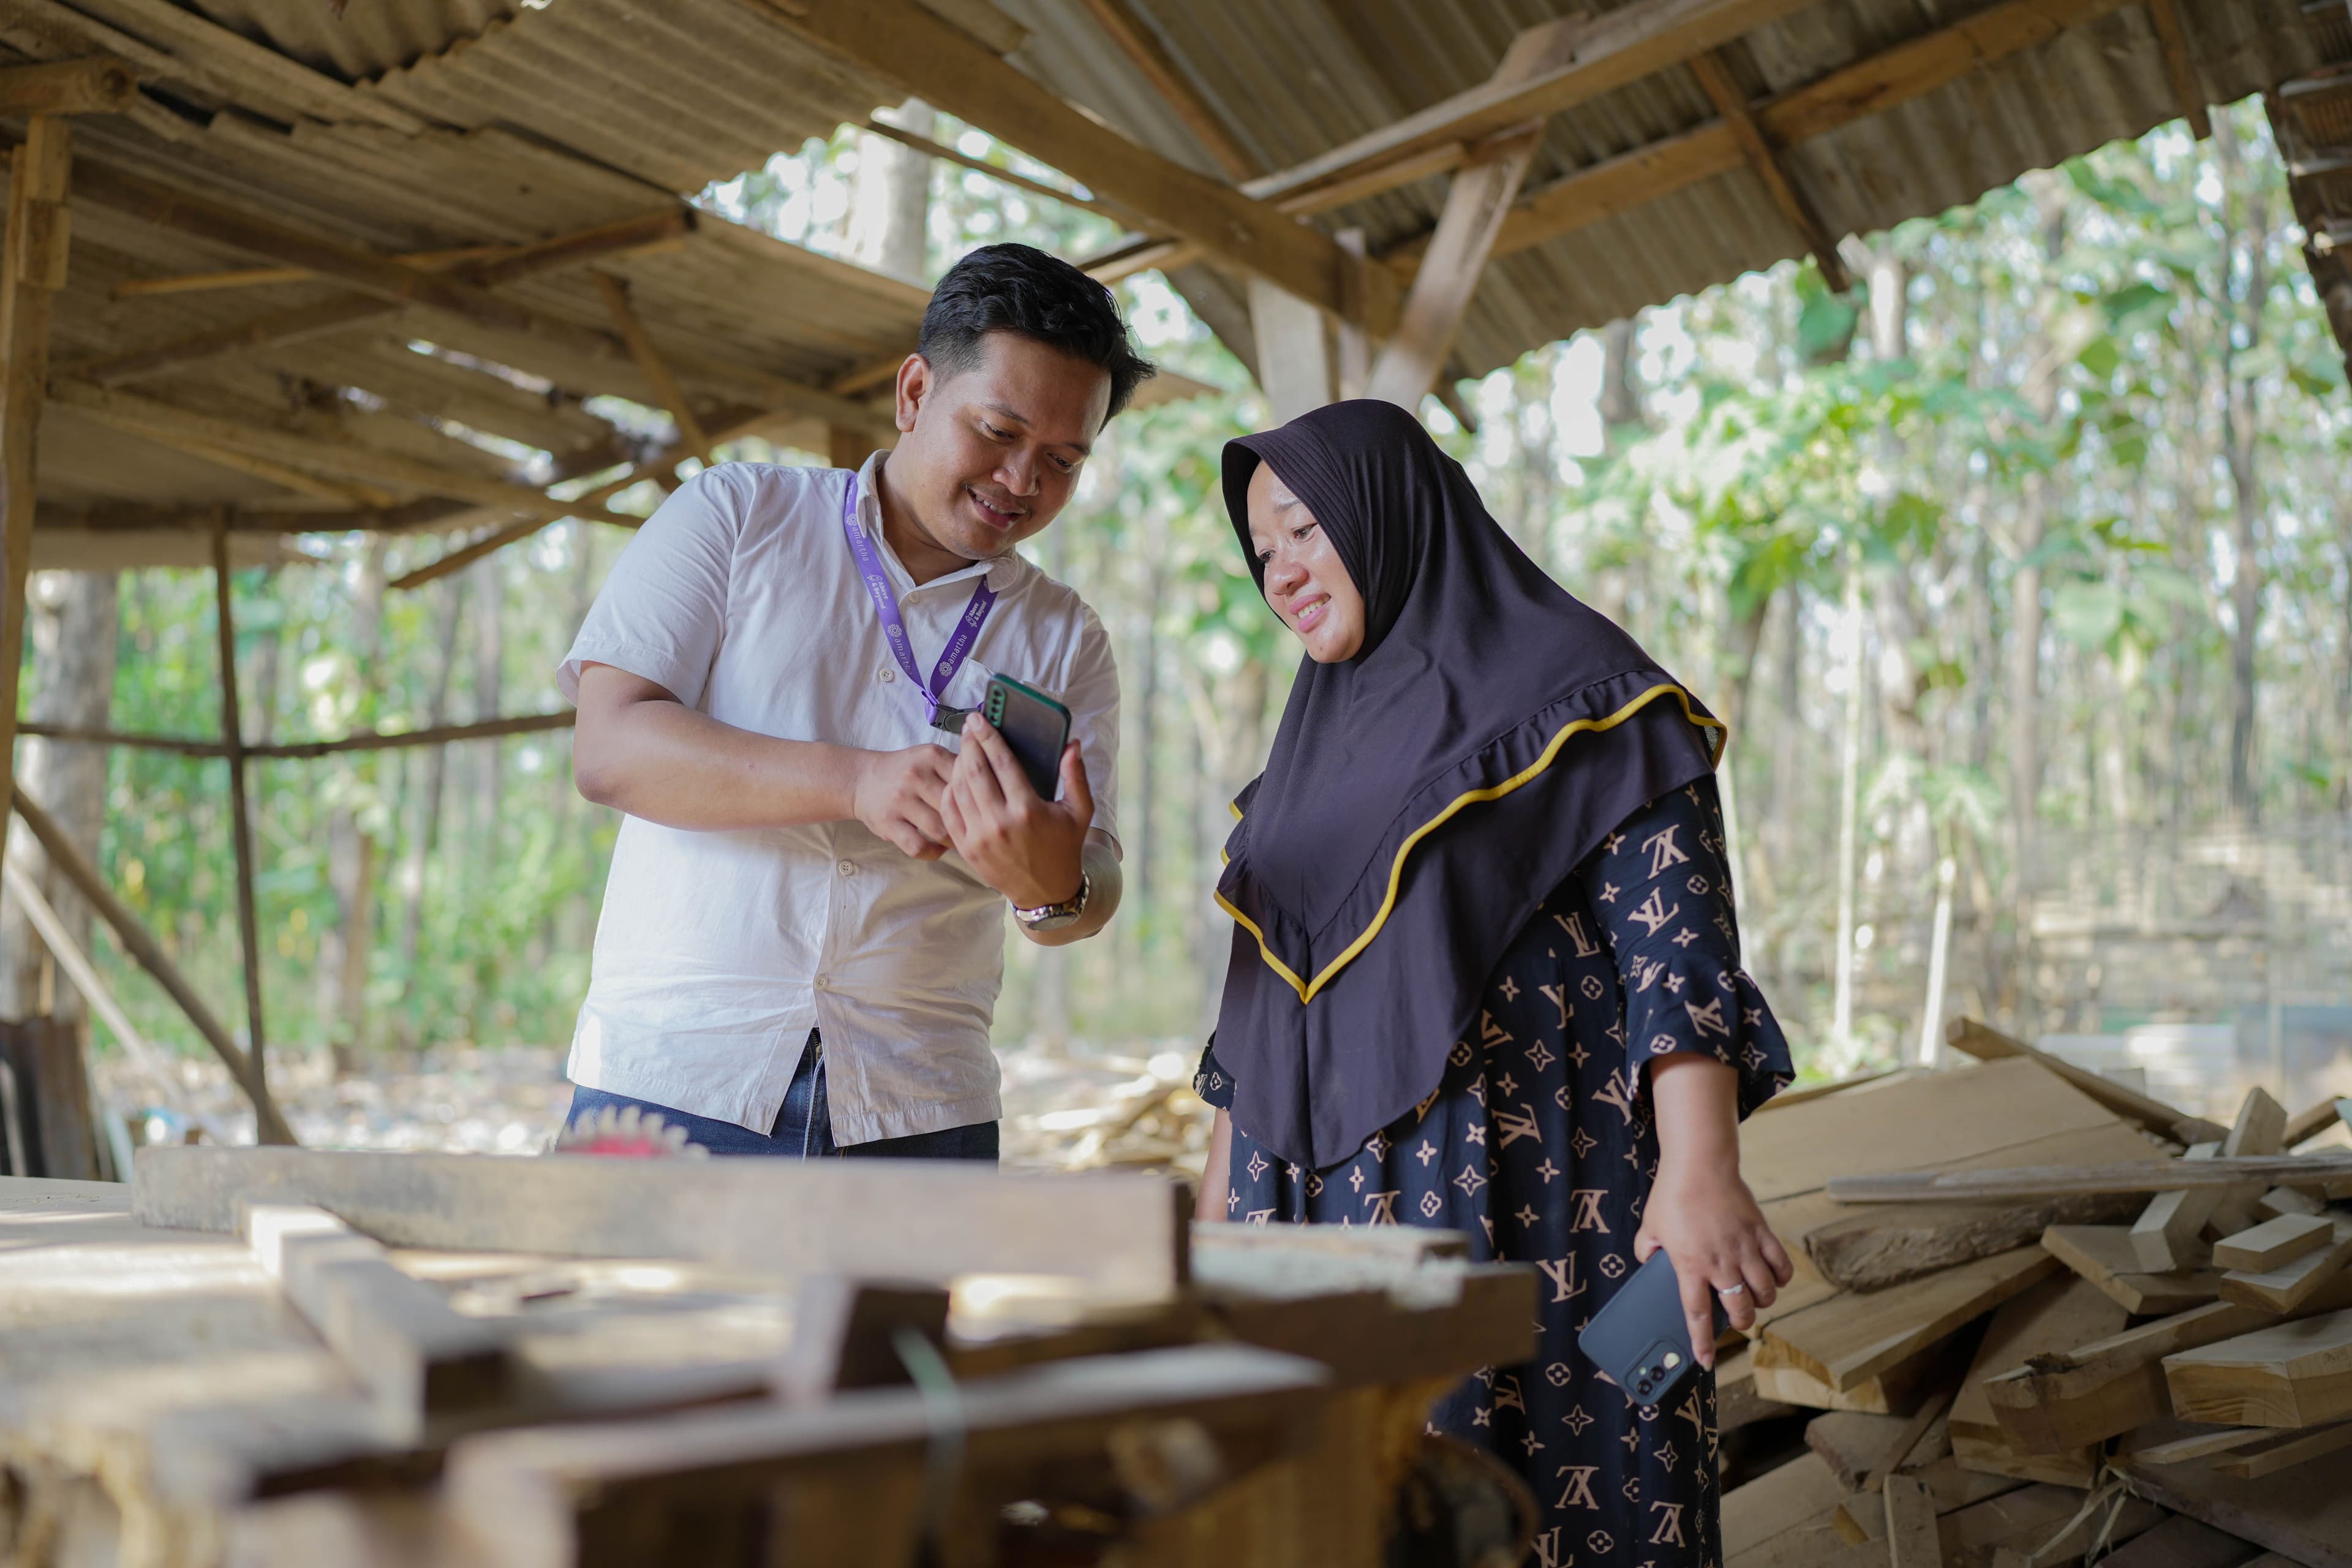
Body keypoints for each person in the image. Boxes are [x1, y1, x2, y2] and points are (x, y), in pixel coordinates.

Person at [1192, 399, 1795, 1564]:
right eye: (1264, 553)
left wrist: (1701, 1169)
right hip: (1305, 1237)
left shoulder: (1583, 689)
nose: (1284, 574)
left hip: (1531, 1206)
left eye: (1306, 531)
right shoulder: (1303, 761)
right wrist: (1208, 1237)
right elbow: (1251, 1037)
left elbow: (1677, 952)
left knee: (1555, 1515)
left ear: (1391, 511)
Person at [554, 243, 1153, 1160]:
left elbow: (1095, 883)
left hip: (920, 1108)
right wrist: (856, 781)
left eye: (1064, 461)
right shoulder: (737, 514)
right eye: (998, 432)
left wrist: (1051, 883)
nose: (1024, 482)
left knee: (898, 1319)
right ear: (915, 394)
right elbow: (611, 750)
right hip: (677, 1074)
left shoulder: (1065, 636)